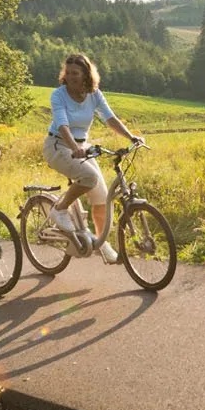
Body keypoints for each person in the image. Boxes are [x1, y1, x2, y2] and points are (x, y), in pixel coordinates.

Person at [43, 53, 144, 264]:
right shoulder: (58, 95)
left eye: (76, 73)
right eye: (68, 73)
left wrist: (130, 136)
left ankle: (102, 243)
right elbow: (62, 125)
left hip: (82, 146)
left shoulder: (94, 94)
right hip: (58, 145)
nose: (71, 77)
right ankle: (58, 210)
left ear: (86, 74)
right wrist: (74, 148)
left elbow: (110, 118)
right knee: (89, 177)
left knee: (102, 197)